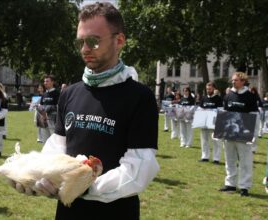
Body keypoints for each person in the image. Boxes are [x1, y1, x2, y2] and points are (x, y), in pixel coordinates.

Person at [11, 3, 159, 219]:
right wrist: (39, 175)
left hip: (116, 213)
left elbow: (139, 169)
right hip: (68, 211)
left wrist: (83, 187)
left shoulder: (139, 97)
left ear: (119, 41)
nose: (85, 49)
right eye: (81, 42)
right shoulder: (70, 93)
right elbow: (57, 148)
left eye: (93, 41)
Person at [219, 72, 258, 197]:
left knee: (245, 161)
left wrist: (253, 135)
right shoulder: (228, 95)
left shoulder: (250, 97)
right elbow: (224, 113)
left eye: (235, 80)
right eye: (232, 80)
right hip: (229, 133)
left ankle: (244, 186)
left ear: (243, 81)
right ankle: (230, 184)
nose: (233, 82)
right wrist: (221, 131)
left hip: (244, 134)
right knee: (229, 159)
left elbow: (255, 117)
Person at [198, 82, 223, 163]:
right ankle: (205, 157)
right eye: (207, 89)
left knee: (216, 141)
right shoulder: (204, 98)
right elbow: (200, 108)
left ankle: (216, 158)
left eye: (210, 89)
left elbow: (221, 110)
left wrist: (211, 111)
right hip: (204, 123)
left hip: (215, 123)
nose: (208, 90)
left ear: (214, 89)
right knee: (204, 140)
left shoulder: (218, 98)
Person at [37, 75, 60, 143]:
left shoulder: (57, 93)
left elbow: (59, 107)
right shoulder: (44, 94)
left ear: (52, 82)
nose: (45, 83)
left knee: (54, 141)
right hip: (43, 121)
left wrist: (47, 110)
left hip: (53, 121)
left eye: (47, 81)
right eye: (44, 81)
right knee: (45, 141)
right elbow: (40, 106)